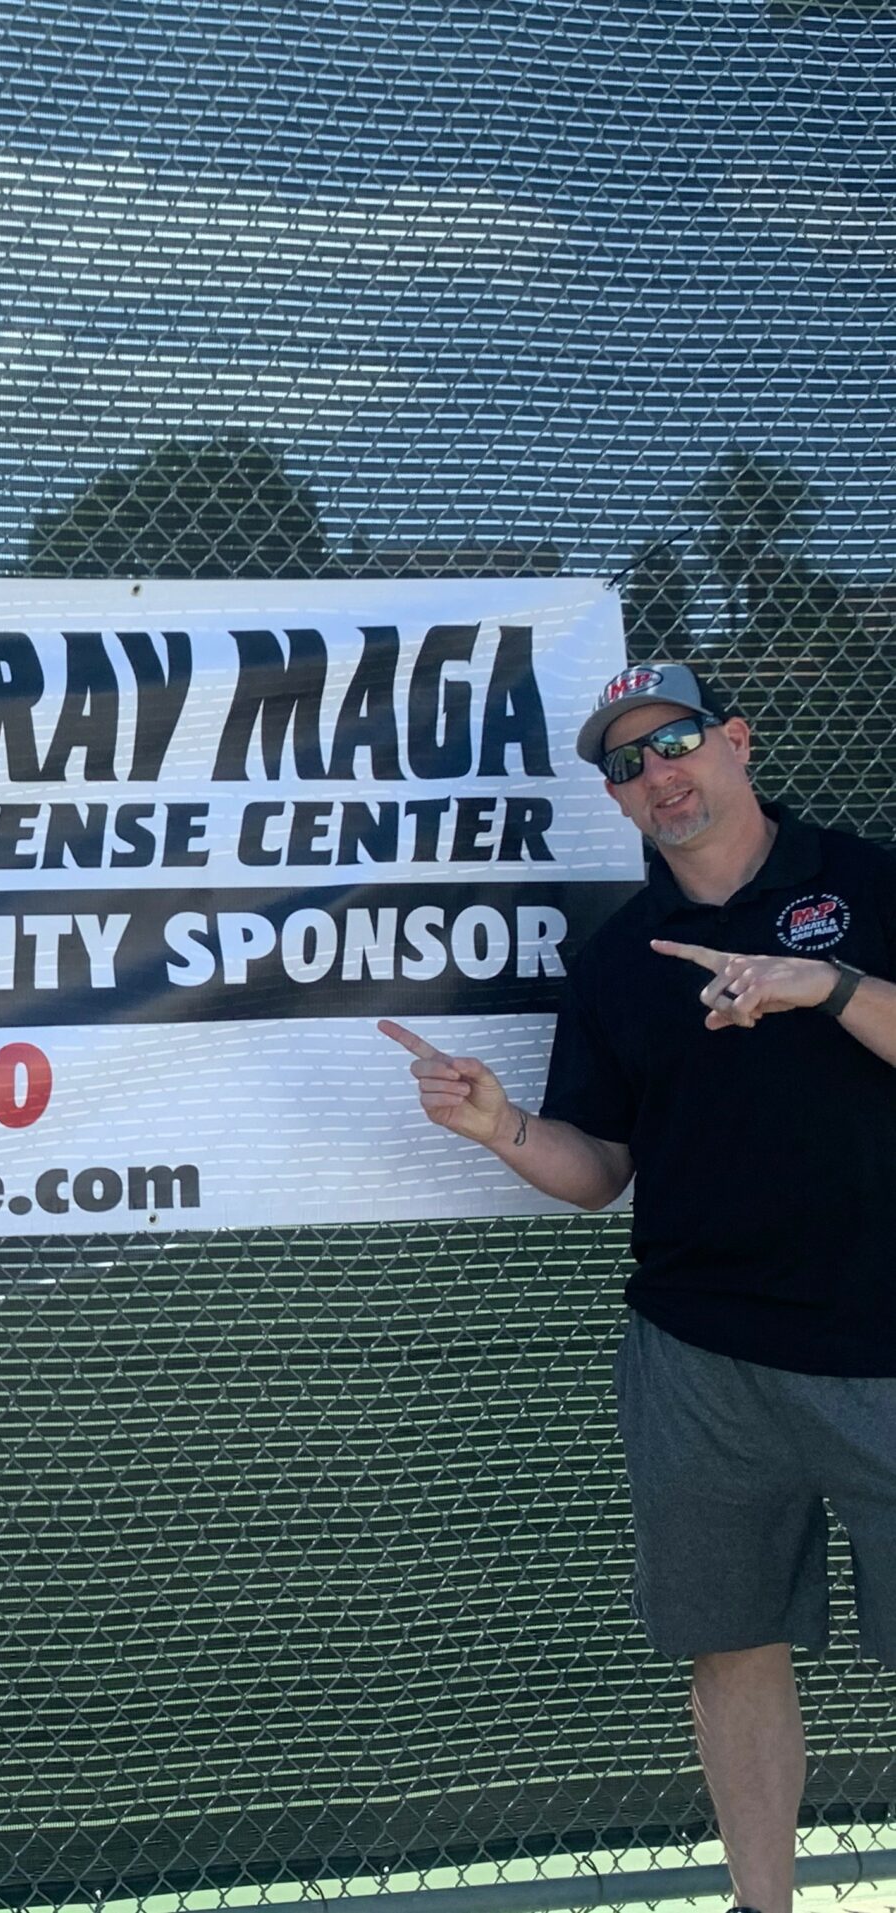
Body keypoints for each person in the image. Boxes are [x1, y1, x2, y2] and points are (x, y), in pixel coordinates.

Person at [380, 660, 896, 1913]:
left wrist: (817, 985)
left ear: (735, 740)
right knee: (731, 1646)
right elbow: (599, 1168)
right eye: (625, 765)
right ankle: (761, 1903)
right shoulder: (616, 959)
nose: (656, 777)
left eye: (673, 744)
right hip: (700, 1358)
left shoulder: (871, 880)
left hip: (886, 1345)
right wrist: (504, 1127)